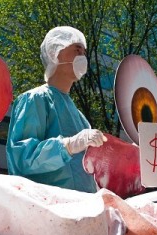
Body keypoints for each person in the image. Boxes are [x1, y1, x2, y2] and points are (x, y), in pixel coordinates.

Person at [6, 26, 106, 193]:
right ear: (55, 52)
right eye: (77, 49)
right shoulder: (35, 99)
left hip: (84, 204)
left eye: (84, 52)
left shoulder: (80, 118)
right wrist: (68, 146)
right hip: (46, 205)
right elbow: (22, 158)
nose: (82, 56)